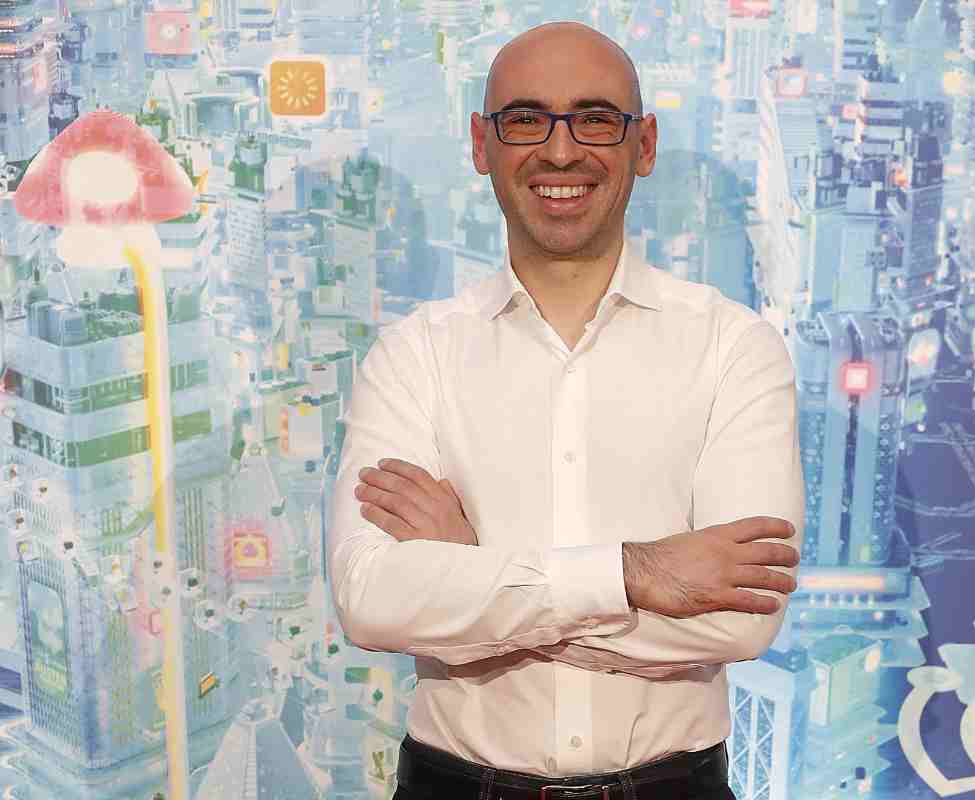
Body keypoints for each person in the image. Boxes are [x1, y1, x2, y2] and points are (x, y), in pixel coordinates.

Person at [328, 20, 804, 800]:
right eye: (526, 120)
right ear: (481, 144)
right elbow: (373, 599)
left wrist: (475, 577)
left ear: (644, 144)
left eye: (595, 119)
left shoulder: (734, 348)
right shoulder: (414, 355)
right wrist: (636, 574)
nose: (559, 151)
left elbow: (741, 619)